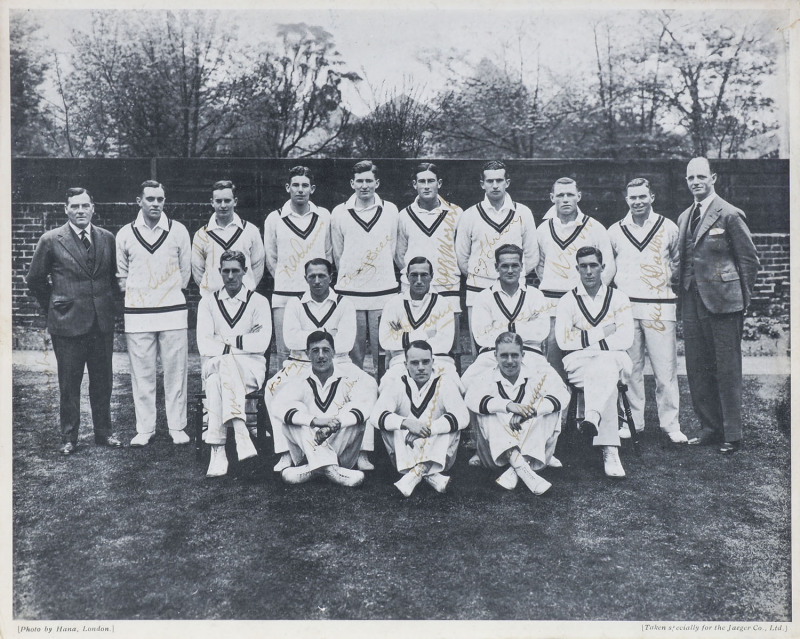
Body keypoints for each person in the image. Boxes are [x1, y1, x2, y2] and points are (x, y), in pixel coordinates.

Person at [26, 187, 123, 455]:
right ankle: (69, 437)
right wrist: (57, 303)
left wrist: (109, 307)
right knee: (69, 383)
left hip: (101, 323)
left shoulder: (106, 238)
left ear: (93, 207)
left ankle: (105, 433)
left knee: (103, 381)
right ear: (65, 209)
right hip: (67, 324)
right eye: (74, 206)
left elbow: (113, 279)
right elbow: (35, 280)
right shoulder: (51, 239)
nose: (80, 211)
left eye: (85, 206)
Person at [672, 157, 759, 454]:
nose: (695, 182)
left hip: (724, 303)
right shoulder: (685, 216)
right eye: (690, 178)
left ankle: (732, 434)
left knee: (726, 368)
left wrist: (742, 301)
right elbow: (684, 260)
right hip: (692, 301)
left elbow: (749, 260)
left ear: (713, 178)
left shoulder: (730, 214)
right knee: (697, 367)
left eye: (701, 177)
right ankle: (710, 428)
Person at [266, 258, 373, 473]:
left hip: (339, 361)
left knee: (368, 383)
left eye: (321, 276)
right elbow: (290, 340)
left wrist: (309, 340)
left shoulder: (345, 303)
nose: (317, 281)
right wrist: (329, 336)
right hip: (299, 362)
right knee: (272, 387)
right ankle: (285, 452)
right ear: (305, 278)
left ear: (330, 277)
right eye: (312, 276)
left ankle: (363, 451)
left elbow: (345, 343)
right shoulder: (295, 304)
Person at [607, 178, 686, 444]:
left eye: (643, 196)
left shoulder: (669, 227)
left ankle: (671, 425)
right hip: (626, 308)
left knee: (665, 370)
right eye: (633, 198)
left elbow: (676, 263)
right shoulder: (615, 231)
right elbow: (611, 269)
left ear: (652, 197)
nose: (638, 202)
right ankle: (633, 422)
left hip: (660, 307)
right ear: (626, 200)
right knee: (630, 369)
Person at [116, 180, 192, 446]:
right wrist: (141, 297)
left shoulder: (179, 231)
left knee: (176, 373)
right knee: (142, 374)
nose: (156, 204)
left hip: (172, 313)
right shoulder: (125, 234)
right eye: (150, 199)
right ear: (139, 201)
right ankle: (145, 429)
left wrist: (166, 295)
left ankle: (177, 426)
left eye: (160, 199)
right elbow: (122, 276)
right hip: (138, 315)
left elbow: (185, 274)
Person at [555, 246, 633, 478]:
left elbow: (626, 338)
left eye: (594, 265)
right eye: (584, 266)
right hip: (578, 364)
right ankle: (610, 449)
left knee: (605, 366)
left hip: (614, 360)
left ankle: (592, 418)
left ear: (602, 267)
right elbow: (563, 341)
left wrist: (583, 339)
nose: (589, 271)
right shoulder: (567, 300)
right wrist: (604, 332)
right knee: (605, 374)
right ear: (577, 268)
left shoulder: (619, 298)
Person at [196, 251, 272, 478]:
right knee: (222, 368)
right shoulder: (207, 303)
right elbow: (204, 344)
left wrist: (227, 341)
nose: (230, 276)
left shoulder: (259, 301)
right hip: (218, 364)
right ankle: (241, 431)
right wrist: (243, 342)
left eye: (235, 271)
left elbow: (261, 342)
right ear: (219, 272)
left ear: (245, 271)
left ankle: (217, 450)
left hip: (251, 368)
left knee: (218, 378)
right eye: (226, 271)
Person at [464, 332, 569, 495]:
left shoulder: (537, 373)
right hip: (496, 457)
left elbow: (563, 395)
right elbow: (471, 399)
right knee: (489, 411)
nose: (510, 361)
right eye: (504, 356)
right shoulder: (487, 376)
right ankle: (520, 466)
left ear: (523, 355)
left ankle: (518, 467)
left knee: (549, 409)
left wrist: (530, 411)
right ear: (495, 356)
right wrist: (507, 406)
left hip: (536, 455)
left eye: (514, 355)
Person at [272, 331, 378, 487]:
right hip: (308, 447)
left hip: (341, 451)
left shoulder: (349, 378)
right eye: (315, 351)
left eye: (326, 350)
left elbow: (364, 407)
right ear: (307, 354)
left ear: (334, 353)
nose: (321, 356)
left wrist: (334, 426)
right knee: (294, 411)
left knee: (352, 410)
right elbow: (278, 407)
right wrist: (315, 421)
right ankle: (331, 470)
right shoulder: (299, 379)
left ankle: (312, 469)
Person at [455, 160, 538, 354]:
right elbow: (462, 257)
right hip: (478, 289)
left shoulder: (523, 213)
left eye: (499, 180)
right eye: (489, 181)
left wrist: (512, 280)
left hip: (515, 291)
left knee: (518, 347)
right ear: (482, 184)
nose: (494, 185)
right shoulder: (469, 215)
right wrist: (484, 278)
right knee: (483, 350)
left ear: (507, 182)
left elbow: (532, 255)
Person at [537, 177, 615, 378]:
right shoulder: (543, 229)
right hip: (552, 306)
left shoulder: (595, 228)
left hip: (584, 307)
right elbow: (539, 266)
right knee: (553, 364)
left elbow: (608, 268)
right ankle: (557, 408)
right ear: (552, 197)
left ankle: (586, 410)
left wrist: (590, 299)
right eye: (560, 195)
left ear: (578, 197)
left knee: (587, 363)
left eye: (570, 194)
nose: (565, 199)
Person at [370, 340, 469, 497]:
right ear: (406, 364)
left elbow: (463, 416)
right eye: (415, 363)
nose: (421, 367)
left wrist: (427, 429)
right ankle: (430, 475)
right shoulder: (397, 383)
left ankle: (414, 474)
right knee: (394, 422)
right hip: (405, 452)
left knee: (447, 423)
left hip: (440, 454)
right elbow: (376, 415)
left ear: (433, 362)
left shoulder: (445, 382)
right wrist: (406, 423)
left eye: (425, 362)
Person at [331, 160, 399, 373]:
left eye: (369, 180)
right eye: (359, 181)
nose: (364, 186)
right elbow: (338, 253)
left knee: (385, 349)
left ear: (376, 183)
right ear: (352, 183)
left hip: (383, 292)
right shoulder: (339, 212)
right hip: (351, 294)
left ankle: (383, 394)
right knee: (353, 352)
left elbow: (392, 248)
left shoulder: (391, 210)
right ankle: (356, 395)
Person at [264, 166, 332, 365]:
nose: (300, 190)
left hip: (316, 295)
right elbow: (271, 259)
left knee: (318, 350)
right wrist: (287, 280)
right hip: (284, 294)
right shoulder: (274, 218)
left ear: (312, 188)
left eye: (305, 185)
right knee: (285, 353)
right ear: (288, 188)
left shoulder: (324, 216)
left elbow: (328, 254)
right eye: (295, 185)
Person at [461, 244, 550, 388]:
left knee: (553, 385)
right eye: (505, 266)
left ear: (521, 266)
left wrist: (502, 328)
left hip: (529, 353)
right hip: (492, 356)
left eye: (514, 266)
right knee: (465, 384)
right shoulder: (483, 297)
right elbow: (482, 336)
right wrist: (523, 327)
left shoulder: (535, 295)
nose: (510, 271)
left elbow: (541, 331)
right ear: (496, 267)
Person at [378, 256, 460, 390]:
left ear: (431, 277)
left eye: (424, 275)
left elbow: (444, 345)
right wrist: (426, 334)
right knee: (390, 384)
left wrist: (404, 336)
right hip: (402, 361)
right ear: (407, 277)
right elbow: (386, 341)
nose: (419, 281)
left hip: (437, 360)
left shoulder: (443, 304)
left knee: (450, 384)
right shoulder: (393, 304)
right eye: (414, 275)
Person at [396, 163, 462, 299]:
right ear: (415, 184)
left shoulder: (456, 213)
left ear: (439, 183)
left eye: (431, 181)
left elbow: (461, 252)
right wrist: (416, 276)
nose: (426, 186)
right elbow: (399, 254)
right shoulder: (404, 215)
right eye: (422, 181)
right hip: (413, 286)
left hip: (448, 284)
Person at [191, 180, 265, 299]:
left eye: (227, 200)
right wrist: (212, 292)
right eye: (219, 201)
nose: (223, 205)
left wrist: (245, 291)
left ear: (235, 201)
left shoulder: (250, 230)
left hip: (244, 299)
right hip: (212, 299)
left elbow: (258, 265)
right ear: (212, 203)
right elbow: (197, 270)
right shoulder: (201, 234)